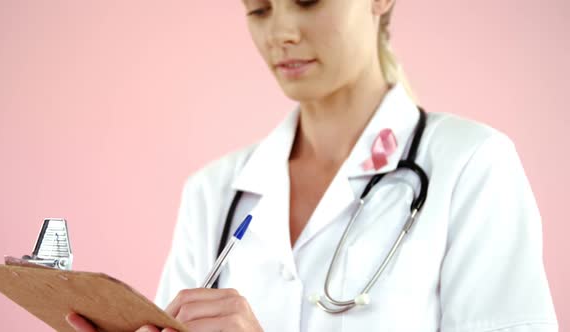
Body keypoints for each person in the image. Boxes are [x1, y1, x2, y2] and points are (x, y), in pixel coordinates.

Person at [67, 0, 559, 331]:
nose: (281, 31)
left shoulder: (471, 166)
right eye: (259, 9)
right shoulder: (212, 192)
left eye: (307, 0)